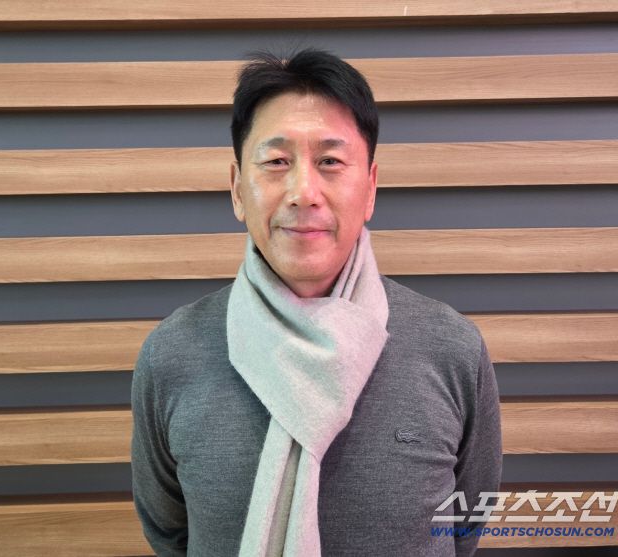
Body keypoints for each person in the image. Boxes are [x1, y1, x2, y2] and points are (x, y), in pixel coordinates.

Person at [131, 48, 502, 557]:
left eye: (330, 161)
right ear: (237, 189)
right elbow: (170, 534)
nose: (303, 192)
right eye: (276, 162)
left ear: (370, 188)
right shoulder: (172, 355)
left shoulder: (451, 349)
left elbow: (466, 526)